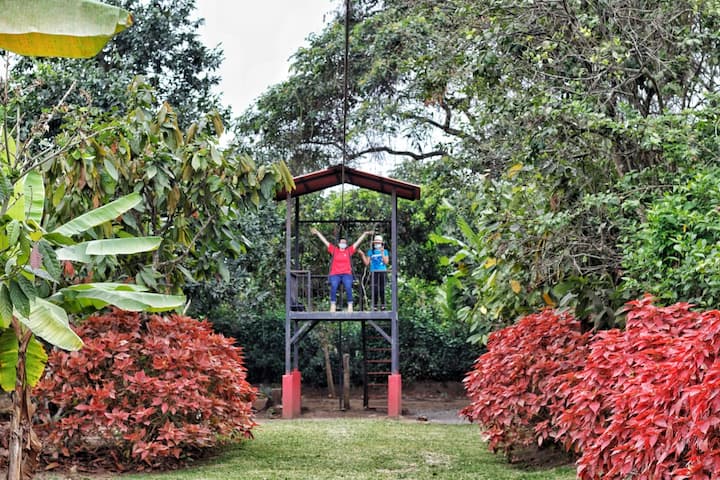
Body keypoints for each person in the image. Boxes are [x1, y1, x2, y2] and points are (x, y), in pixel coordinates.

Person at [310, 227, 372, 312]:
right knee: (334, 286)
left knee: (348, 286)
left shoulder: (348, 251)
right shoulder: (334, 250)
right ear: (339, 244)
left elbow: (357, 242)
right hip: (335, 274)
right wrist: (317, 233)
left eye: (344, 243)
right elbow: (325, 241)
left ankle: (350, 305)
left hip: (346, 273)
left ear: (346, 244)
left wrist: (364, 234)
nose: (343, 243)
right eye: (341, 242)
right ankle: (333, 305)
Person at [359, 235, 389, 309]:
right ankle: (375, 306)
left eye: (378, 242)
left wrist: (382, 253)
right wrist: (362, 254)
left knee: (382, 289)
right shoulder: (371, 252)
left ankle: (383, 305)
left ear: (381, 243)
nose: (377, 244)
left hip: (382, 271)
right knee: (375, 289)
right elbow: (367, 263)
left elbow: (386, 262)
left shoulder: (385, 251)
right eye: (376, 242)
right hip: (374, 272)